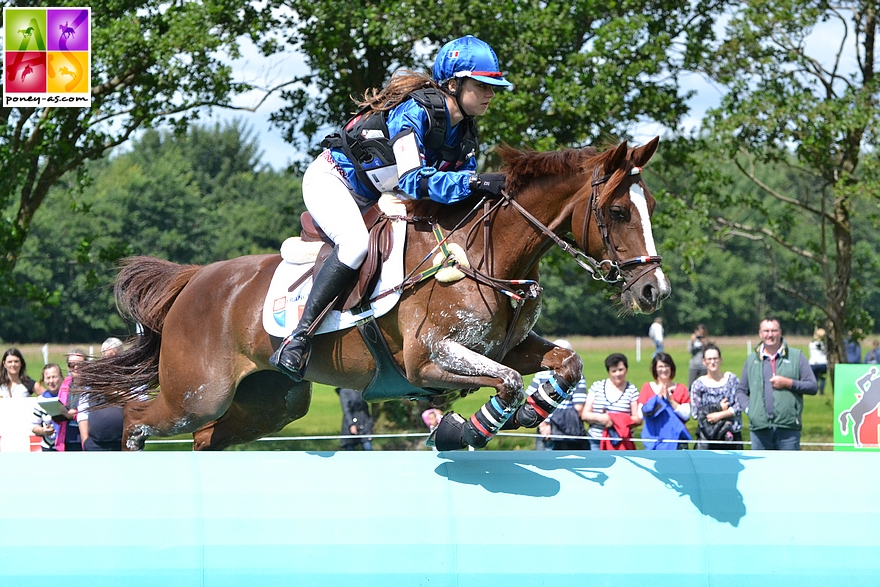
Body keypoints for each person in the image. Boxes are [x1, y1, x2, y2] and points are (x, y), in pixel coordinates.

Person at [270, 35, 512, 382]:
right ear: (455, 84)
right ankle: (298, 338)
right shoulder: (416, 111)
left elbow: (454, 196)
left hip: (378, 195)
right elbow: (414, 180)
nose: (492, 93)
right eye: (484, 85)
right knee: (354, 244)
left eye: (493, 86)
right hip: (334, 181)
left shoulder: (465, 133)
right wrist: (474, 183)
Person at [735, 317, 817, 450]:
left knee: (788, 470)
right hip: (759, 428)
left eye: (774, 330)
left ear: (780, 332)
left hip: (788, 428)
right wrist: (751, 410)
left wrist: (789, 383)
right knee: (761, 470)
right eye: (766, 331)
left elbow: (812, 386)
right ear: (760, 334)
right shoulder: (751, 360)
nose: (770, 334)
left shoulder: (796, 356)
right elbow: (741, 391)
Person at [530, 339, 589, 450]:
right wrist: (545, 425)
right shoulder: (577, 376)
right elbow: (578, 407)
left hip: (548, 424)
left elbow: (532, 401)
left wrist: (544, 424)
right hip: (564, 427)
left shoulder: (540, 374)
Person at [582, 353, 641, 450]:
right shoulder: (597, 387)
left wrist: (617, 420)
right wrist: (601, 418)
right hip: (596, 441)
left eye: (621, 370)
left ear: (626, 369)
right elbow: (585, 414)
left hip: (622, 442)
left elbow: (637, 419)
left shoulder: (632, 390)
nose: (618, 374)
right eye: (614, 371)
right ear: (608, 372)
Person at [690, 344, 744, 450]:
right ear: (704, 362)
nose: (712, 362)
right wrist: (718, 407)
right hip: (708, 438)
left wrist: (719, 415)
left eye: (715, 358)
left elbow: (739, 404)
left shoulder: (732, 380)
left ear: (720, 360)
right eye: (709, 359)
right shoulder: (698, 385)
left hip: (732, 437)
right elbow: (696, 413)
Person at [78, 338, 126, 451]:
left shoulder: (131, 376)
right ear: (103, 356)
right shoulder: (92, 378)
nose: (113, 360)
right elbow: (83, 409)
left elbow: (141, 402)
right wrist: (85, 440)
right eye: (109, 356)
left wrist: (117, 394)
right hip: (95, 444)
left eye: (116, 356)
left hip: (124, 444)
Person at [638, 353, 691, 450]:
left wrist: (670, 400)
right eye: (660, 366)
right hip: (654, 441)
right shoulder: (647, 388)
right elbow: (641, 415)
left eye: (667, 366)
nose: (664, 369)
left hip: (677, 442)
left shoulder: (681, 388)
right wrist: (657, 399)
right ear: (655, 369)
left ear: (671, 368)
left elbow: (686, 415)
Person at [55, 349, 85, 452]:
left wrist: (75, 414)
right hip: (66, 438)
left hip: (85, 437)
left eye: (80, 364)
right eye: (72, 365)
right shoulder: (65, 384)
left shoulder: (92, 385)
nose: (76, 367)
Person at [31, 363, 64, 451]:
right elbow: (34, 426)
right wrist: (43, 431)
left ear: (61, 377)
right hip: (48, 447)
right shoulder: (40, 400)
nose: (51, 381)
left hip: (67, 446)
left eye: (54, 377)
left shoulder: (68, 397)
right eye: (48, 378)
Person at [808, 328, 828, 395]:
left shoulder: (812, 344)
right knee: (823, 378)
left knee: (814, 378)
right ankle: (821, 390)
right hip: (823, 362)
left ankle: (815, 389)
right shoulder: (825, 344)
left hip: (813, 363)